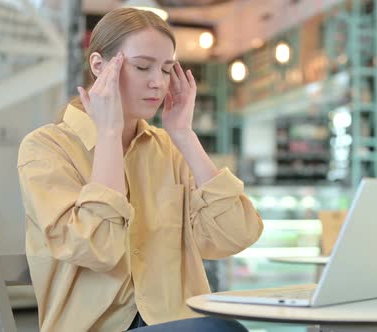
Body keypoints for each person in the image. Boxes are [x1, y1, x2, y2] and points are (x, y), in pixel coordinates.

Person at [17, 7, 263, 332]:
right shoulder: (46, 148)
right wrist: (107, 133)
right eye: (143, 66)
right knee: (217, 329)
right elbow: (98, 249)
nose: (157, 83)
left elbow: (236, 235)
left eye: (166, 70)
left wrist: (184, 135)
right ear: (98, 66)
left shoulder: (169, 148)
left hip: (176, 320)